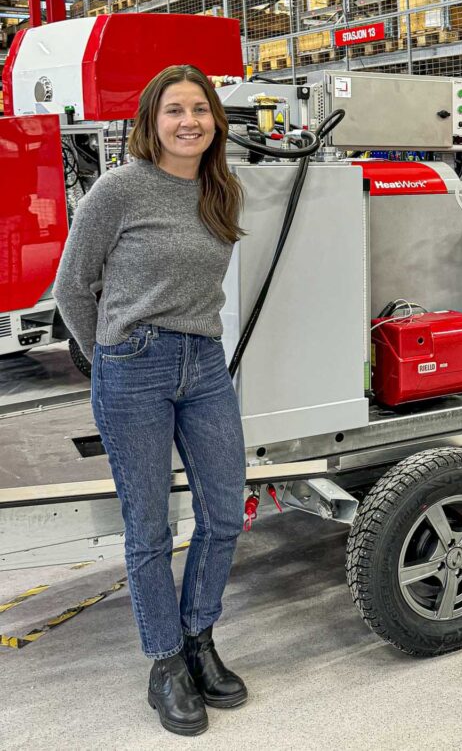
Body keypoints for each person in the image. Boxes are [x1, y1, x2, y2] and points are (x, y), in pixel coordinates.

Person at [54, 64, 249, 735]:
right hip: (133, 364)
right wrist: (109, 352)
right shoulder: (119, 189)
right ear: (151, 121)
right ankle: (165, 663)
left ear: (215, 119)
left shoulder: (221, 189)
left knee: (225, 512)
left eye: (200, 109)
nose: (189, 121)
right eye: (174, 110)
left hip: (205, 362)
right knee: (149, 527)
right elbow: (71, 286)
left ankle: (199, 637)